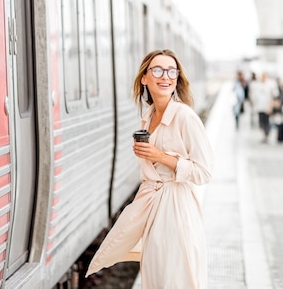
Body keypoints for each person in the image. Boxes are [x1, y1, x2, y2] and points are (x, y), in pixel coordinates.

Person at [86, 49, 214, 288]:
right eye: (157, 70)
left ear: (177, 78)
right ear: (144, 78)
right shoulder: (148, 116)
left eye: (171, 71)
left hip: (176, 209)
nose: (165, 76)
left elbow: (204, 171)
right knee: (155, 278)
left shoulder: (185, 117)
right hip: (154, 208)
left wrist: (161, 156)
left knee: (175, 279)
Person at [250, 72, 278, 143]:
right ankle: (264, 135)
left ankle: (267, 135)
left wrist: (271, 106)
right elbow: (254, 95)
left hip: (268, 106)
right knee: (261, 122)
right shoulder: (257, 85)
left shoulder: (271, 84)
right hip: (259, 106)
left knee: (267, 122)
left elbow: (275, 95)